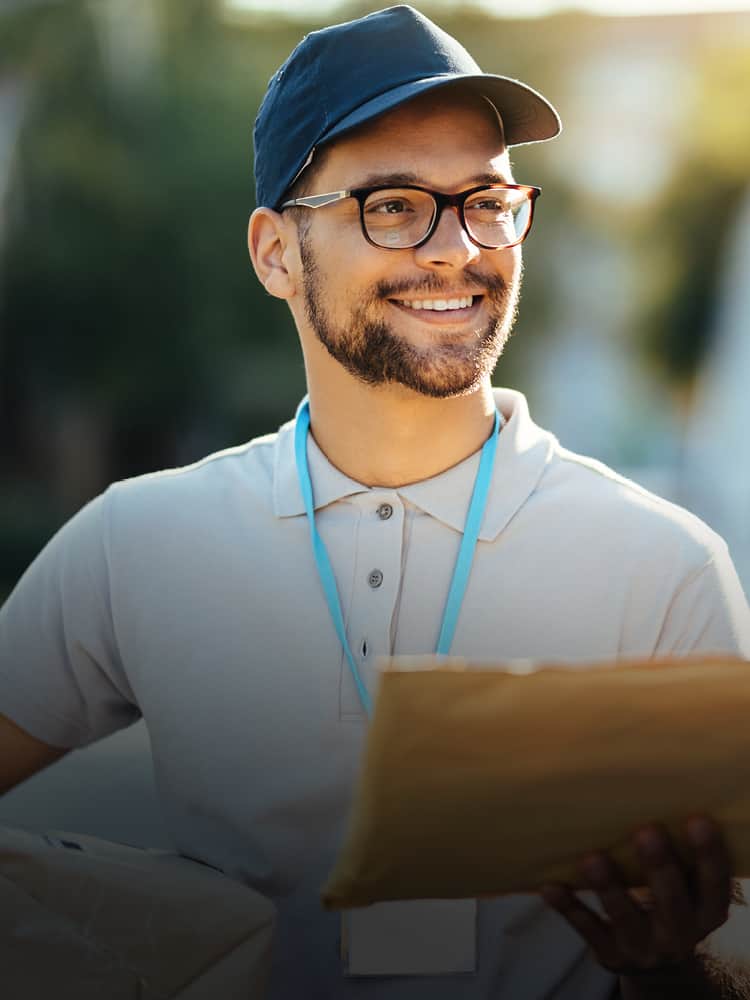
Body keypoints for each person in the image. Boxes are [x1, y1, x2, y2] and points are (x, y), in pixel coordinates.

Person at [2, 5, 750, 998]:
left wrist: (667, 965)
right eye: (393, 205)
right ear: (275, 252)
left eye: (485, 201)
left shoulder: (664, 565)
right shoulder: (133, 541)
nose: (456, 250)